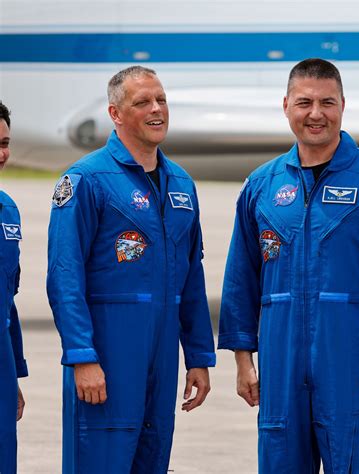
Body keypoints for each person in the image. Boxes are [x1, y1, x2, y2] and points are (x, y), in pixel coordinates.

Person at [218, 58, 359, 473]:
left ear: (343, 106)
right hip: (281, 366)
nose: (316, 114)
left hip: (354, 366)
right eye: (304, 102)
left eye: (327, 102)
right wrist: (243, 359)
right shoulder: (262, 185)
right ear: (286, 106)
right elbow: (241, 277)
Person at [47, 66, 215, 474]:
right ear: (116, 113)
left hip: (163, 358)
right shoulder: (87, 180)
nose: (156, 109)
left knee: (153, 457)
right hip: (108, 356)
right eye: (142, 102)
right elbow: (64, 276)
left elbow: (191, 279)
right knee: (101, 460)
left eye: (161, 100)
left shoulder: (181, 185)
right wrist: (82, 357)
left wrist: (198, 356)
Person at [0, 101, 28, 474]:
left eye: (4, 143)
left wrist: (14, 375)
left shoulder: (8, 209)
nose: (1, 153)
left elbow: (9, 302)